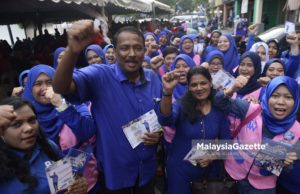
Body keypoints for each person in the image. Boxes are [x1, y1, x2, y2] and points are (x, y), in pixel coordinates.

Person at [53, 20, 162, 193]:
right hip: (115, 175)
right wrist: (72, 51)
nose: (132, 53)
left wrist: (158, 133)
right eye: (125, 48)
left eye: (138, 48)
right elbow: (60, 87)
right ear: (115, 51)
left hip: (146, 171)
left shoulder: (153, 78)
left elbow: (160, 116)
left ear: (144, 50)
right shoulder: (100, 75)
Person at [214, 75, 299, 194]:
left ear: (296, 101)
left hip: (262, 189)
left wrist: (283, 163)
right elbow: (218, 102)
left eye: (288, 97)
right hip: (231, 177)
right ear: (267, 95)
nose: (281, 102)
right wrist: (232, 89)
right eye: (275, 96)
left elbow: (289, 169)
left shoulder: (297, 131)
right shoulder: (251, 110)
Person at [156, 66, 231, 194]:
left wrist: (212, 156)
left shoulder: (218, 110)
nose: (199, 88)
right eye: (194, 85)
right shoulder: (181, 105)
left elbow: (227, 143)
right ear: (189, 88)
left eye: (203, 83)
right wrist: (167, 92)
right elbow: (165, 120)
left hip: (208, 174)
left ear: (210, 83)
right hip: (180, 171)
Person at [0, 97, 87, 194]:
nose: (29, 128)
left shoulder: (49, 147)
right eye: (16, 124)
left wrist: (78, 185)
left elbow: (68, 179)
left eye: (32, 120)